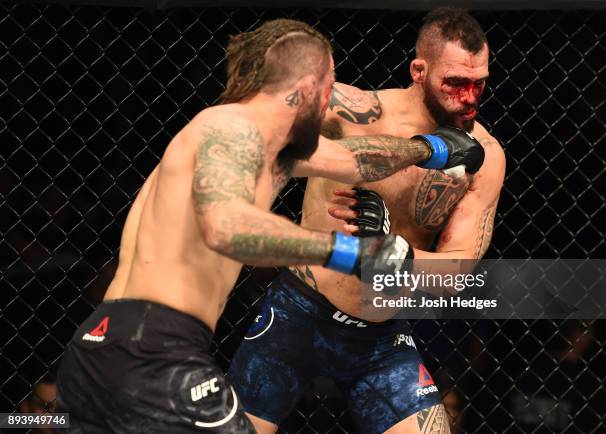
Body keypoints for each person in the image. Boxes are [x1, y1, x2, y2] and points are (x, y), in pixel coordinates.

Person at [55, 18, 484, 433]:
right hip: (151, 349)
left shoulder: (267, 148)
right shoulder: (231, 131)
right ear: (307, 87)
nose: (332, 100)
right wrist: (350, 252)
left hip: (116, 344)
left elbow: (353, 160)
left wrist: (429, 149)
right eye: (329, 85)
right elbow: (227, 225)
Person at [229, 8, 505, 434]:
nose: (469, 97)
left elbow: (458, 272)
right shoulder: (351, 112)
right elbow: (254, 136)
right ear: (419, 70)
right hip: (299, 316)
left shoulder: (485, 155)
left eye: (479, 83)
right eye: (455, 83)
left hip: (380, 337)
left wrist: (396, 254)